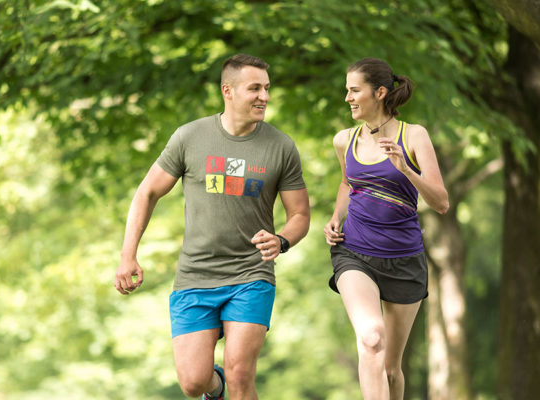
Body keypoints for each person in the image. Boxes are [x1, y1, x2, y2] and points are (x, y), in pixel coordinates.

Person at [114, 54, 310, 400]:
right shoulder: (190, 137)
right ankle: (213, 391)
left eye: (266, 88)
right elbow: (147, 193)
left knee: (240, 373)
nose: (264, 96)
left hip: (251, 276)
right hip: (196, 275)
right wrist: (128, 255)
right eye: (254, 88)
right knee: (193, 383)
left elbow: (300, 216)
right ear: (228, 91)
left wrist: (282, 240)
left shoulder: (281, 146)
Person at [324, 58, 449, 400]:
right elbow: (348, 183)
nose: (347, 97)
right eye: (346, 90)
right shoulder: (344, 140)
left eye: (354, 90)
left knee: (392, 370)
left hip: (404, 259)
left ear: (379, 92)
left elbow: (441, 202)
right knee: (371, 338)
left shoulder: (414, 135)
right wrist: (336, 216)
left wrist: (406, 169)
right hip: (355, 253)